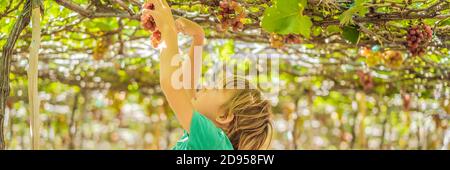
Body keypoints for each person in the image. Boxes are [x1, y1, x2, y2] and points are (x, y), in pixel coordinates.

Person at [142, 0, 272, 150]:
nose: (206, 86)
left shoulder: (214, 141)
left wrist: (168, 28)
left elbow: (172, 85)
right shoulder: (212, 142)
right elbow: (186, 89)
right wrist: (198, 38)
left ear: (223, 116)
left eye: (216, 88)